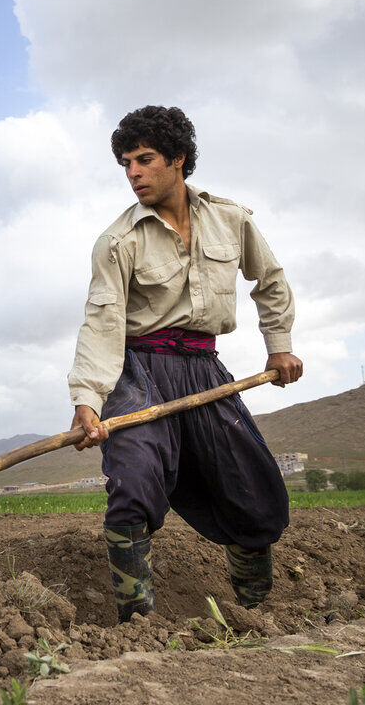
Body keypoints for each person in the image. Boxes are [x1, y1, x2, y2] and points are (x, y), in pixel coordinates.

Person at [67, 105, 303, 622]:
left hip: (203, 370)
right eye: (126, 163)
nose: (133, 173)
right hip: (139, 374)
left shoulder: (231, 219)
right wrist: (87, 399)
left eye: (144, 159)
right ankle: (139, 627)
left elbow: (271, 281)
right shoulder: (117, 242)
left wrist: (279, 344)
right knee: (132, 481)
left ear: (178, 159)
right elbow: (102, 323)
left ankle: (254, 617)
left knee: (252, 489)